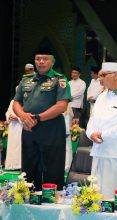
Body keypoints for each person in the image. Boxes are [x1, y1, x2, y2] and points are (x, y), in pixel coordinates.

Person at [13, 47, 71, 190]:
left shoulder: (60, 79)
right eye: (38, 59)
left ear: (52, 62)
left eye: (45, 59)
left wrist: (38, 118)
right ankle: (29, 196)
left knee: (51, 166)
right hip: (29, 128)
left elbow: (61, 106)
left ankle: (51, 200)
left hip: (51, 129)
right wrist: (23, 116)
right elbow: (16, 102)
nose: (41, 62)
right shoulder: (26, 80)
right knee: (29, 165)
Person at [86, 62, 117, 199]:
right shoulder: (101, 96)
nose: (99, 78)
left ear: (115, 76)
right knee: (96, 189)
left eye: (103, 75)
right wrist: (91, 134)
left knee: (116, 191)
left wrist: (103, 135)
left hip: (116, 150)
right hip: (98, 148)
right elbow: (92, 120)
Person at [5, 96, 22, 170]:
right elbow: (7, 113)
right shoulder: (13, 101)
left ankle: (20, 165)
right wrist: (9, 117)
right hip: (13, 127)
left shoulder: (26, 101)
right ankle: (12, 166)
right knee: (12, 145)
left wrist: (18, 118)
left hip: (21, 126)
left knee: (20, 145)